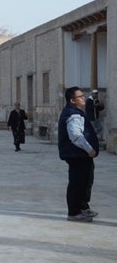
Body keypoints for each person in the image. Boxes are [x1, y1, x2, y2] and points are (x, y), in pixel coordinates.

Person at [58, 86, 99, 222]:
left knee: (85, 181)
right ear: (72, 100)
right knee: (77, 183)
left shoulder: (75, 112)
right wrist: (89, 149)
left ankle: (82, 207)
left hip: (79, 155)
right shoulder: (73, 114)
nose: (83, 98)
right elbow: (75, 136)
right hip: (77, 154)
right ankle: (74, 212)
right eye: (80, 97)